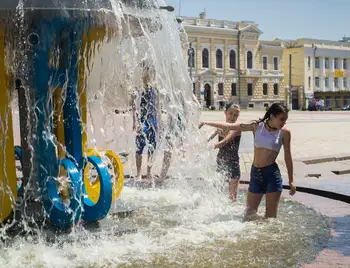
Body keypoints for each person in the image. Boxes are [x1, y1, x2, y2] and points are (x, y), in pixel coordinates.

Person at [199, 103, 296, 219]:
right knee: (249, 215)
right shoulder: (256, 126)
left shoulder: (285, 132)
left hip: (272, 175)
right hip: (256, 175)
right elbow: (231, 126)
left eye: (285, 120)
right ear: (272, 116)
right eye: (282, 119)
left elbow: (288, 156)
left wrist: (291, 180)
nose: (284, 122)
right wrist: (206, 123)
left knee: (270, 218)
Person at [132, 63, 161, 181]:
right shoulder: (139, 89)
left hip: (153, 121)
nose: (149, 75)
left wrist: (159, 123)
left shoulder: (155, 90)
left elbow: (157, 107)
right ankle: (139, 173)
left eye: (151, 73)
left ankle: (149, 172)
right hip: (142, 121)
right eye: (148, 72)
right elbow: (134, 106)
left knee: (152, 148)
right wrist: (135, 122)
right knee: (139, 148)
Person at [207, 102, 241, 201]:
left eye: (236, 115)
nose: (233, 117)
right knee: (217, 191)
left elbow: (225, 141)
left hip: (233, 163)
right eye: (231, 113)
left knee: (232, 197)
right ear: (225, 113)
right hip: (221, 161)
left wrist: (210, 147)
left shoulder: (237, 128)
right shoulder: (220, 127)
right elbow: (208, 137)